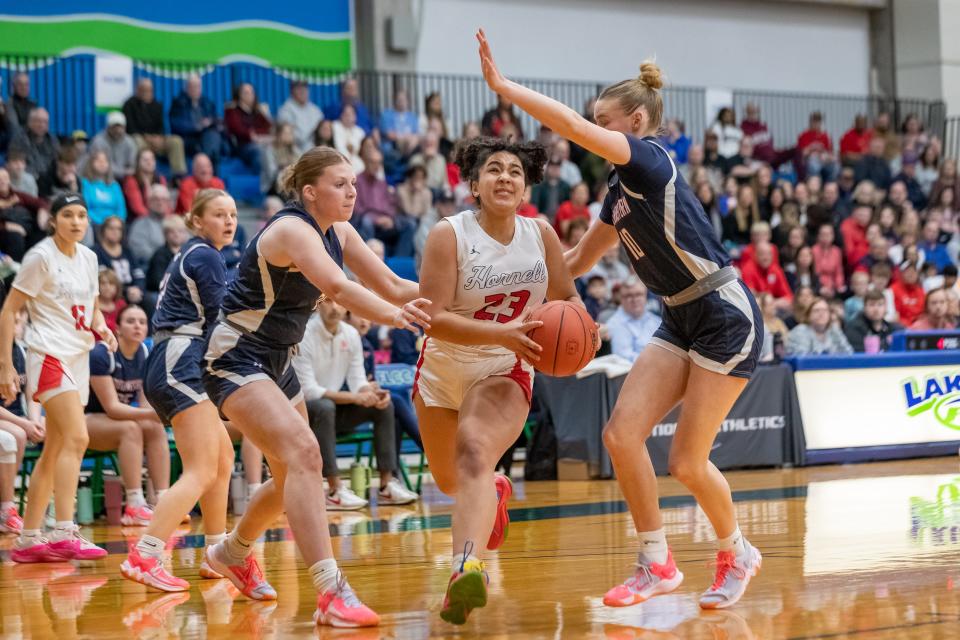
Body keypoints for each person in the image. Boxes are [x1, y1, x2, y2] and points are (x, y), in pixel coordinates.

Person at [477, 31, 763, 610]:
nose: (595, 130)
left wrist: (506, 89)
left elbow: (577, 132)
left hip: (723, 313)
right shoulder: (619, 190)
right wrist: (528, 297)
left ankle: (737, 551)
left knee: (686, 460)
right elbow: (578, 261)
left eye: (605, 122)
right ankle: (655, 560)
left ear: (634, 121)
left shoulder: (652, 160)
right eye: (595, 122)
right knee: (620, 435)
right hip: (679, 317)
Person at [201, 147, 430, 627]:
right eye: (340, 184)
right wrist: (399, 318)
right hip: (235, 354)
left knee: (290, 478)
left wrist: (459, 292)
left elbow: (391, 283)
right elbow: (342, 290)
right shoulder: (290, 229)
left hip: (278, 359)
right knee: (306, 455)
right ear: (310, 192)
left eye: (353, 183)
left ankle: (231, 552)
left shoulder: (339, 231)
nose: (352, 191)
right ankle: (330, 591)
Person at [416, 135, 581, 624]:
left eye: (514, 170)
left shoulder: (542, 235)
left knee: (473, 451)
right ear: (474, 183)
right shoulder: (448, 235)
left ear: (526, 186)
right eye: (493, 169)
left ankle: (465, 570)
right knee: (452, 479)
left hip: (505, 364)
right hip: (443, 364)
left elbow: (568, 299)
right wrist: (501, 330)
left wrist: (577, 331)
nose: (505, 176)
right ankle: (495, 490)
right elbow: (434, 318)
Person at [121, 189, 239, 591]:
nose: (228, 221)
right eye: (219, 214)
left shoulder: (200, 254)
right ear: (196, 220)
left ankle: (217, 552)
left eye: (233, 214)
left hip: (182, 359)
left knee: (222, 458)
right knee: (202, 467)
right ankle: (146, 554)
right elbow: (221, 321)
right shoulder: (205, 255)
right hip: (179, 358)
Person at [0, 193, 117, 562]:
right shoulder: (40, 256)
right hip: (48, 354)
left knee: (54, 450)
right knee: (77, 436)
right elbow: (8, 311)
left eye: (82, 215)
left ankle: (29, 538)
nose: (77, 221)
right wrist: (6, 366)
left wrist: (102, 328)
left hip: (78, 356)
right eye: (68, 215)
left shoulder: (90, 257)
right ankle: (65, 530)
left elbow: (92, 308)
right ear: (53, 220)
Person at [293, 299, 418, 510]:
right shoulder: (304, 335)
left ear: (347, 307)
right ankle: (334, 490)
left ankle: (388, 485)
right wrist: (354, 398)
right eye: (328, 302)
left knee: (384, 406)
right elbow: (309, 391)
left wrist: (371, 393)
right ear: (317, 304)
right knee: (324, 406)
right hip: (303, 414)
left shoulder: (350, 335)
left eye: (339, 303)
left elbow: (357, 381)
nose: (335, 308)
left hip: (333, 411)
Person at [85, 305, 169, 526]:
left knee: (154, 427)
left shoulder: (145, 353)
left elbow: (143, 403)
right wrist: (151, 414)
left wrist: (154, 416)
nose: (137, 326)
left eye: (142, 321)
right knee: (132, 428)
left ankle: (164, 501)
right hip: (88, 419)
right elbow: (112, 407)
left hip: (116, 420)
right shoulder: (101, 354)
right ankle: (134, 505)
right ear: (118, 328)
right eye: (131, 321)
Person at [123, 78, 187, 177]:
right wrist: (146, 137)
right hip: (141, 138)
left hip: (156, 139)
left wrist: (159, 137)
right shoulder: (129, 105)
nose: (147, 93)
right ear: (137, 90)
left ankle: (178, 177)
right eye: (144, 90)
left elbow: (161, 126)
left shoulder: (157, 105)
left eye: (149, 90)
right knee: (136, 141)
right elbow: (130, 128)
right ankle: (142, 175)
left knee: (176, 141)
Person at [169, 75, 221, 168]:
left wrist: (209, 122)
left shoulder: (207, 103)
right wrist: (196, 126)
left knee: (213, 136)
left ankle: (206, 166)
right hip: (188, 138)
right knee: (211, 142)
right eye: (193, 86)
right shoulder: (178, 103)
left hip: (206, 136)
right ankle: (207, 167)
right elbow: (176, 124)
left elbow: (217, 119)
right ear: (186, 88)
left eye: (198, 86)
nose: (196, 89)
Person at [605, 277, 660, 361]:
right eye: (628, 296)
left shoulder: (656, 320)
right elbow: (624, 358)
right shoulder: (614, 324)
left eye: (638, 294)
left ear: (645, 296)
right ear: (621, 299)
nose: (634, 300)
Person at [93, 216, 145, 304]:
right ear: (103, 230)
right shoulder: (95, 251)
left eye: (119, 229)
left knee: (150, 300)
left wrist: (138, 288)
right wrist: (126, 291)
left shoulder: (128, 251)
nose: (115, 232)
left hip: (133, 293)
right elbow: (103, 278)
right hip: (110, 294)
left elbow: (138, 274)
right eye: (111, 228)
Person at [224, 83, 272, 172]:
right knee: (259, 151)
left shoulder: (257, 111)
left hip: (260, 142)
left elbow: (269, 128)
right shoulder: (232, 111)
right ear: (239, 95)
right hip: (243, 146)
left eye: (251, 92)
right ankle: (261, 181)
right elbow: (238, 130)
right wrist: (252, 135)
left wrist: (257, 135)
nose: (250, 95)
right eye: (246, 93)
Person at [785, 297, 853, 355]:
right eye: (816, 311)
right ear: (808, 315)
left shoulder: (834, 330)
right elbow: (802, 358)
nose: (821, 314)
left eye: (825, 310)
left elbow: (849, 352)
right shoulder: (800, 331)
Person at [9, 108, 59, 179]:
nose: (42, 125)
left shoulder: (52, 140)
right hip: (27, 178)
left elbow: (57, 162)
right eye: (38, 121)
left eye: (45, 122)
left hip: (49, 180)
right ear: (30, 122)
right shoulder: (19, 139)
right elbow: (16, 163)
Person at [80, 150, 126, 227]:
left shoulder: (115, 185)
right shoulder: (85, 183)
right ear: (91, 163)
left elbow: (121, 210)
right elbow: (85, 208)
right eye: (98, 160)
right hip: (93, 224)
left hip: (114, 226)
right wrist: (102, 223)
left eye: (105, 160)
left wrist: (116, 223)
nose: (102, 163)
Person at [277, 80, 324, 155]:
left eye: (305, 88)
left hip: (316, 150)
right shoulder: (285, 110)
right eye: (299, 89)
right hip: (294, 151)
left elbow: (323, 132)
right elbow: (289, 137)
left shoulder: (315, 110)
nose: (302, 91)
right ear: (292, 92)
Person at [89, 112, 139, 180]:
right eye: (114, 127)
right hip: (103, 177)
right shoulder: (98, 141)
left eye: (120, 127)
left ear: (124, 127)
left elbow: (133, 165)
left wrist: (126, 172)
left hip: (125, 178)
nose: (118, 130)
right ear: (108, 127)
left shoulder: (130, 142)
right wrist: (124, 172)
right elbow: (100, 166)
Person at [122, 148, 167, 219]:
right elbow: (137, 208)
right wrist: (153, 219)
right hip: (137, 220)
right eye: (145, 160)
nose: (149, 162)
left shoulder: (160, 179)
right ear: (138, 163)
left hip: (158, 218)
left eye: (152, 159)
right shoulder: (131, 180)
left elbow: (166, 203)